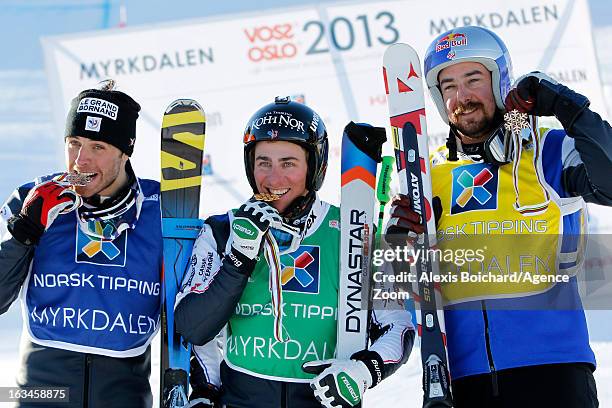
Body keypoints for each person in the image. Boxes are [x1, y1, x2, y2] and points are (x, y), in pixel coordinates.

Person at [387, 26, 611, 407]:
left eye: (474, 79)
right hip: (464, 379)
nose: (462, 97)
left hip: (554, 372)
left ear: (501, 80)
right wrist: (397, 246)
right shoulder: (424, 179)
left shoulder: (547, 152)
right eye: (449, 87)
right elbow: (406, 297)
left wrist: (568, 107)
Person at [174, 97, 415, 408]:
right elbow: (193, 327)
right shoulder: (221, 232)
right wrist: (239, 259)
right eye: (264, 163)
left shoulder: (353, 233)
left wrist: (362, 372)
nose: (274, 179)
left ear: (314, 168)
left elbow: (399, 327)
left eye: (288, 163)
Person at [0, 80, 162, 407]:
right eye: (74, 143)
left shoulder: (161, 208)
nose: (80, 161)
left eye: (98, 147)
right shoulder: (32, 199)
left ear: (125, 150)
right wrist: (23, 231)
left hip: (123, 398)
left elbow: (192, 320)